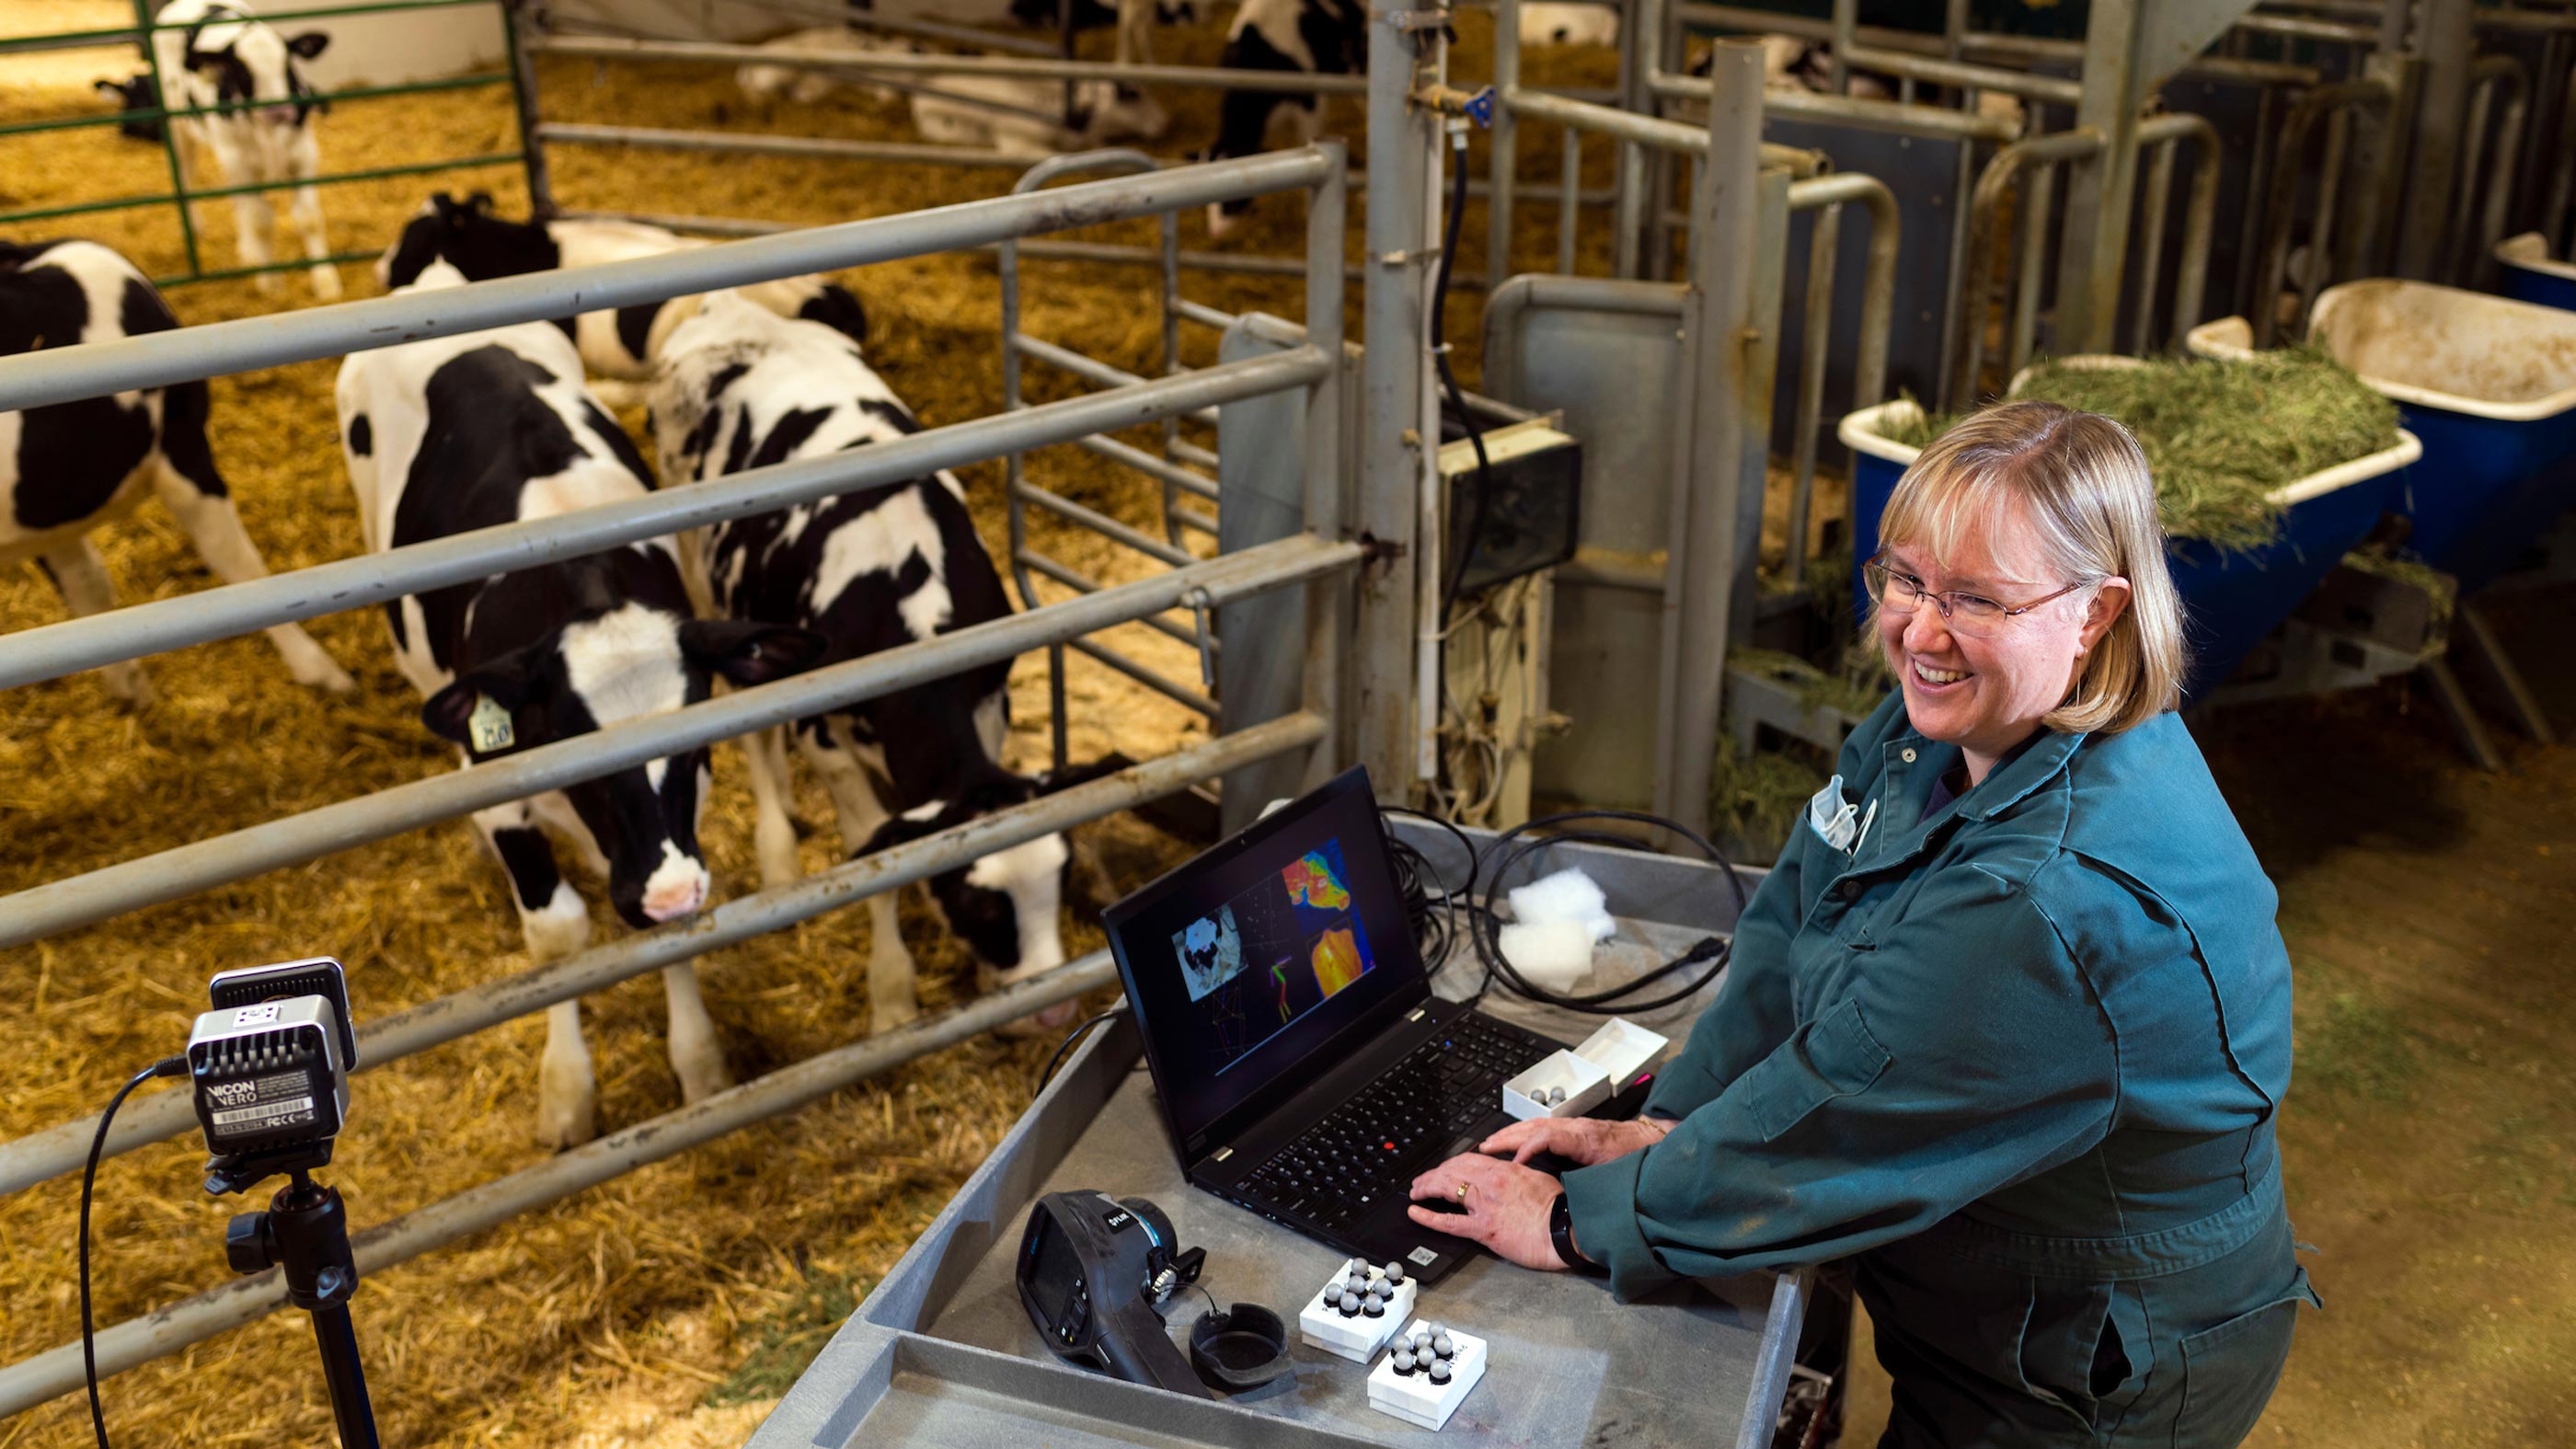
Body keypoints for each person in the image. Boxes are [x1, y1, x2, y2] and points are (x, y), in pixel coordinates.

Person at [1409, 400, 2317, 1447]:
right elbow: (1802, 910)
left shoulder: (2047, 903)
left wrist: (1576, 1221)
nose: (1919, 634)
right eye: (1905, 578)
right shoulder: (1949, 725)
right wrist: (1671, 1120)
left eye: (1976, 598)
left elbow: (1837, 1117)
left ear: (2097, 613)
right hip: (1984, 1285)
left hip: (2082, 1370)